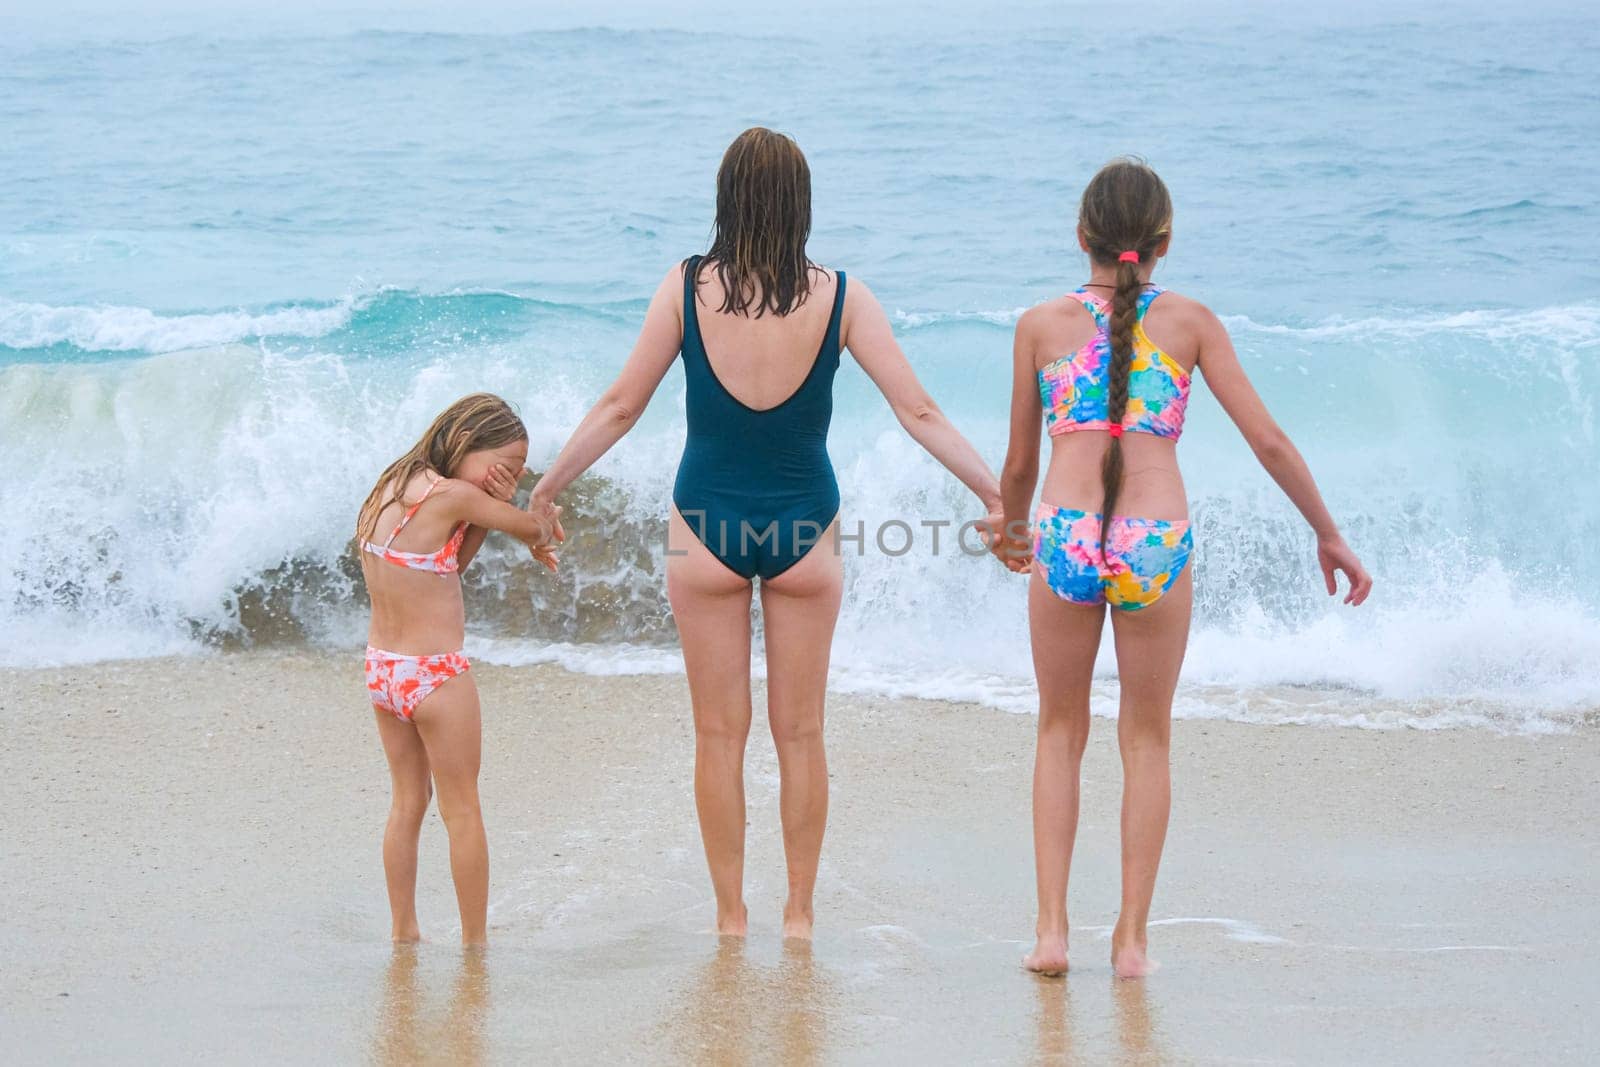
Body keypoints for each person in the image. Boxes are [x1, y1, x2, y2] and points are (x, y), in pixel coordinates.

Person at [529, 127, 1003, 939]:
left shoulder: (683, 287)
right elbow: (918, 410)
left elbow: (619, 406)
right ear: (801, 203)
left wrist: (545, 488)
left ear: (725, 199)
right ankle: (799, 913)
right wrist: (997, 497)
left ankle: (729, 915)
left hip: (703, 526)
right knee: (802, 732)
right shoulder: (844, 297)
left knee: (718, 733)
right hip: (805, 529)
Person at [997, 159, 1372, 977]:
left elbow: (1021, 464)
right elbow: (1268, 441)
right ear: (1163, 242)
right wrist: (1328, 532)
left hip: (1064, 532)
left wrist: (1011, 528)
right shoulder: (1194, 322)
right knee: (1146, 734)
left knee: (1060, 729)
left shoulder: (1038, 324)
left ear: (1081, 237)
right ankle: (1131, 941)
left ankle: (1052, 934)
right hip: (1152, 538)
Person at [357, 393, 564, 944]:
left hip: (384, 671)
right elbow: (534, 529)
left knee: (407, 802)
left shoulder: (392, 486)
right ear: (468, 443)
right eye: (503, 467)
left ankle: (404, 931)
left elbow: (450, 567)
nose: (505, 478)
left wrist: (495, 511)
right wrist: (533, 514)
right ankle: (475, 943)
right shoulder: (451, 495)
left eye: (513, 473)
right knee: (462, 809)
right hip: (435, 675)